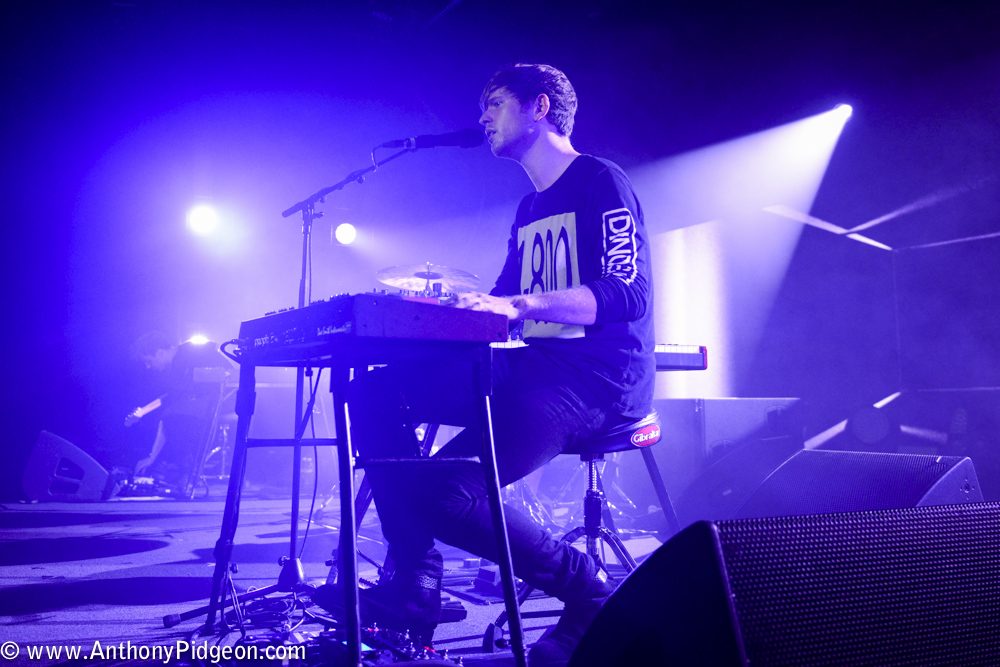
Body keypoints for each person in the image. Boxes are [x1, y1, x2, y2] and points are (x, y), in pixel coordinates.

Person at [317, 63, 655, 665]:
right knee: (372, 393)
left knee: (447, 495)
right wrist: (439, 309)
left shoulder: (601, 181)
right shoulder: (528, 208)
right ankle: (415, 582)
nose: (482, 118)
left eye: (494, 103)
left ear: (539, 107)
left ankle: (588, 590)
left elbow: (627, 292)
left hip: (595, 379)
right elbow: (501, 304)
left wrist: (518, 305)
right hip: (536, 366)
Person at [130, 332, 232, 490]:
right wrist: (142, 412)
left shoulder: (189, 354)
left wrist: (144, 412)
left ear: (160, 353)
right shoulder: (178, 364)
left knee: (176, 418)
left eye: (149, 361)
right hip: (210, 403)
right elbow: (171, 402)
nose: (148, 367)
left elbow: (172, 405)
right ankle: (186, 473)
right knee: (173, 416)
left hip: (229, 399)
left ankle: (188, 473)